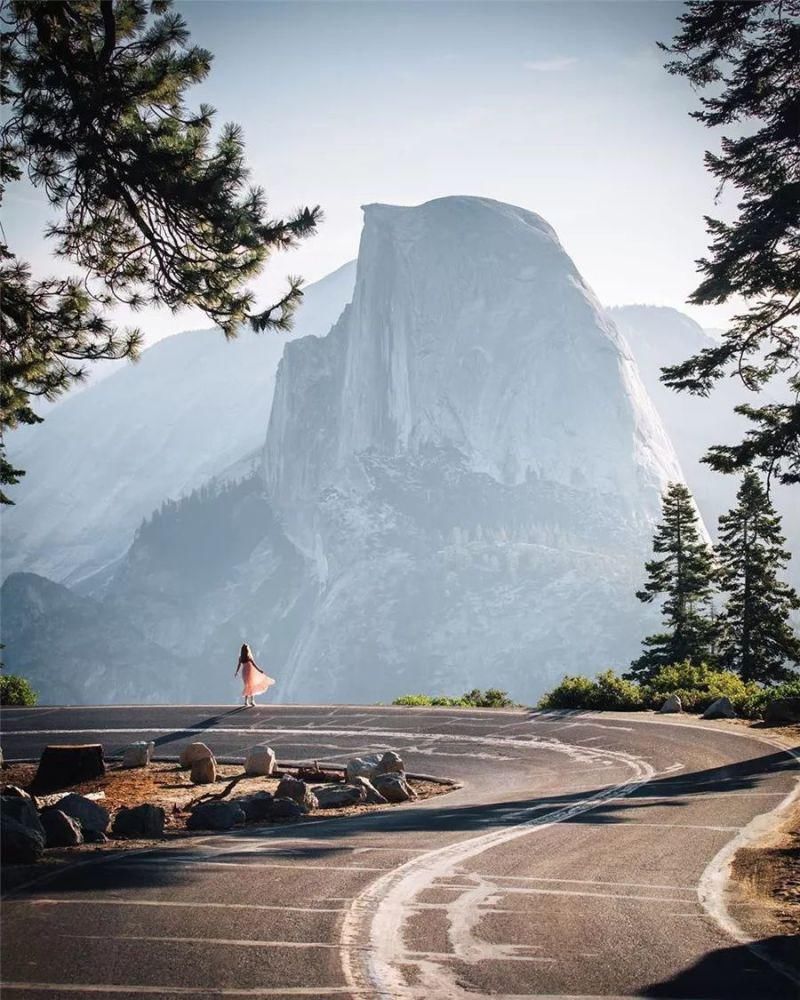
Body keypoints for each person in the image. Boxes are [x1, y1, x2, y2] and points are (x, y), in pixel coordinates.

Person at [235, 643, 274, 708]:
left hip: (244, 672)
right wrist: (260, 670)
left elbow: (239, 665)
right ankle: (252, 701)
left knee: (247, 686)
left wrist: (236, 672)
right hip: (250, 672)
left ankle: (246, 701)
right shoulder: (249, 657)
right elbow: (254, 665)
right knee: (252, 685)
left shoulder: (241, 657)